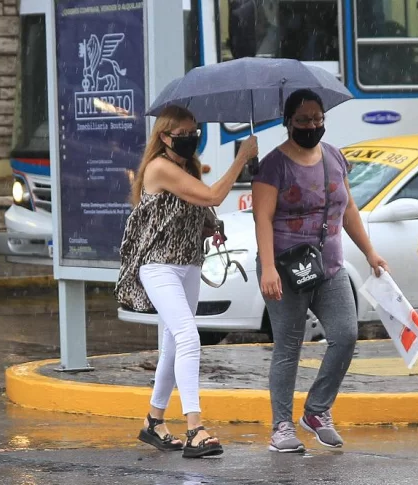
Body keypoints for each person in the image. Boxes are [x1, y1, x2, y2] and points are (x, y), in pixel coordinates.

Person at [114, 105, 258, 458]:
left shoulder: (187, 168)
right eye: (184, 134)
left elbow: (198, 208)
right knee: (189, 336)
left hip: (189, 266)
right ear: (164, 137)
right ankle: (195, 427)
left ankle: (153, 421)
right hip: (158, 267)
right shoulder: (160, 167)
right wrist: (241, 158)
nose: (191, 139)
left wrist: (211, 227)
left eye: (194, 132)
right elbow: (212, 196)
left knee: (173, 346)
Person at [252, 89, 388, 453]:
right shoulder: (273, 166)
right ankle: (281, 425)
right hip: (285, 268)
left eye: (317, 119)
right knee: (289, 345)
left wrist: (371, 252)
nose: (312, 126)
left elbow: (348, 210)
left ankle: (316, 411)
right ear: (288, 123)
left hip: (329, 266)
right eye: (303, 121)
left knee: (345, 335)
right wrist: (267, 268)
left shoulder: (334, 157)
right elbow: (262, 218)